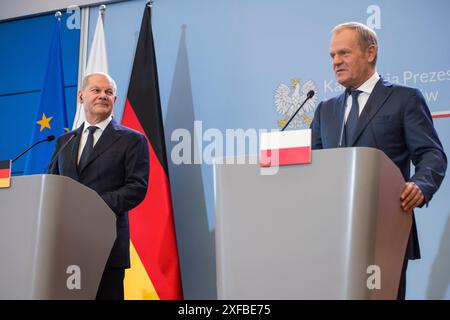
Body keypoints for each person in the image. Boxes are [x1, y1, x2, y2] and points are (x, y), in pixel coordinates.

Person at [310, 22, 447, 299]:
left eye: (344, 53)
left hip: (386, 231)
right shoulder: (325, 110)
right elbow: (314, 166)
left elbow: (432, 154)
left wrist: (420, 185)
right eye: (332, 56)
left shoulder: (404, 99)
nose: (336, 62)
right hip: (332, 235)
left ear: (370, 53)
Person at [48, 72, 149, 300]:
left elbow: (136, 188)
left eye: (109, 92)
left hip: (108, 246)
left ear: (115, 99)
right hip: (66, 246)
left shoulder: (132, 140)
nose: (103, 96)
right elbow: (52, 184)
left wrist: (92, 206)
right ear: (81, 96)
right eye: (96, 90)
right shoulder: (65, 142)